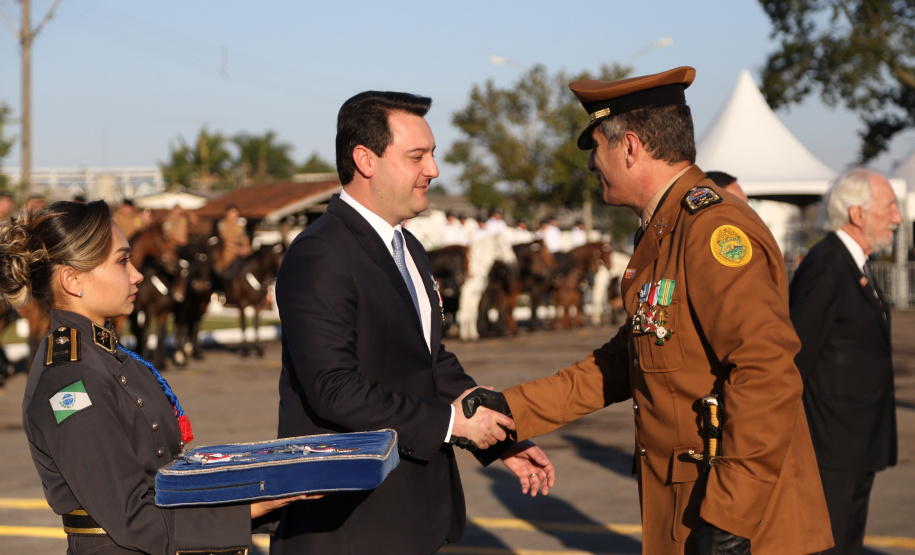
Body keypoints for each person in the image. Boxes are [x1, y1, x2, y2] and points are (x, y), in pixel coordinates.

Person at [494, 67, 833, 554]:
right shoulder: (663, 232)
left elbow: (766, 374)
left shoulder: (712, 232)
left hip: (743, 527)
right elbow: (625, 360)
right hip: (689, 514)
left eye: (597, 147)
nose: (592, 165)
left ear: (629, 147)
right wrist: (510, 411)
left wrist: (729, 521)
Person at [271, 90, 555, 555]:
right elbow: (334, 387)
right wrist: (453, 425)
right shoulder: (321, 253)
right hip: (351, 524)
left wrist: (499, 437)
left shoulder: (408, 248)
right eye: (417, 156)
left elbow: (429, 363)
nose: (433, 170)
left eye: (433, 155)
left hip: (410, 517)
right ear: (365, 159)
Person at [0, 200, 313, 554]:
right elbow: (133, 519)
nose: (136, 274)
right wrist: (247, 511)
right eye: (122, 261)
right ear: (73, 280)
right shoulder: (69, 381)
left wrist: (265, 487)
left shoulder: (104, 355)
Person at [789, 168, 901, 554]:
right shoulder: (827, 265)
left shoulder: (853, 263)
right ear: (858, 213)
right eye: (890, 207)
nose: (898, 218)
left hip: (854, 444)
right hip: (829, 450)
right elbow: (795, 359)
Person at [214, 204, 252, 277]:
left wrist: (245, 247)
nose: (234, 215)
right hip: (229, 248)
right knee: (228, 262)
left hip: (241, 247)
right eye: (232, 213)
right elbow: (225, 241)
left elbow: (244, 236)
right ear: (227, 214)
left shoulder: (241, 223)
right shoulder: (222, 224)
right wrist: (238, 249)